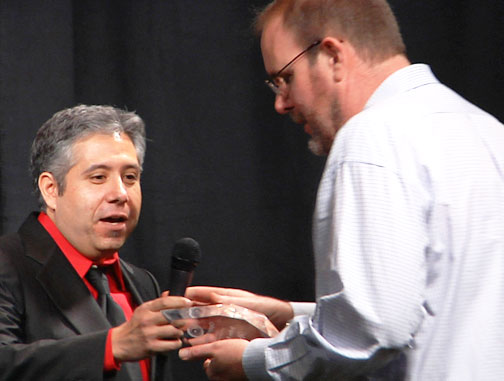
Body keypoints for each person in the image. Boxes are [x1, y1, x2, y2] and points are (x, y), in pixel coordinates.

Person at [178, 0, 504, 379]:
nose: (281, 103)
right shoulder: (489, 132)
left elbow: (375, 330)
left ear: (332, 54)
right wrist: (288, 313)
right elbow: (429, 309)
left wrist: (256, 359)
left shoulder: (371, 136)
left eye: (285, 77)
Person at [0, 105, 192, 380]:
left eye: (130, 177)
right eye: (98, 177)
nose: (120, 194)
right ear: (51, 190)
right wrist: (111, 346)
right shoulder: (8, 266)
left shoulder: (142, 283)